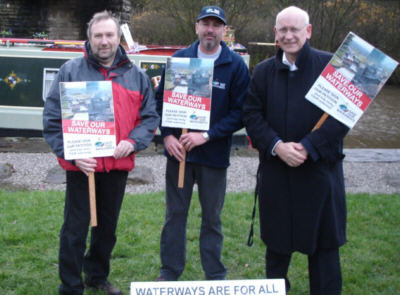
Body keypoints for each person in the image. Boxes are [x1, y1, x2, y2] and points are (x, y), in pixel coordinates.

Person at [43, 10, 159, 295]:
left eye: (109, 35)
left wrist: (133, 141)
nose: (104, 41)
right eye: (98, 35)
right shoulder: (70, 71)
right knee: (74, 231)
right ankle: (70, 286)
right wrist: (72, 155)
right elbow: (51, 121)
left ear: (118, 38)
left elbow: (149, 118)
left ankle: (96, 276)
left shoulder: (137, 75)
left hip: (116, 167)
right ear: (89, 38)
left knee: (106, 230)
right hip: (83, 167)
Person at [243, 6, 349, 294]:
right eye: (283, 30)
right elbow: (252, 115)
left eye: (295, 30)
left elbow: (343, 117)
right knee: (277, 250)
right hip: (277, 174)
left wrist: (308, 146)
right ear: (275, 34)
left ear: (308, 31)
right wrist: (277, 146)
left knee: (324, 251)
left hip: (320, 173)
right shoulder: (264, 72)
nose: (289, 36)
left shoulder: (332, 67)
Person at [155, 6, 250, 281]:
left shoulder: (235, 66)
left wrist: (206, 135)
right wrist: (168, 136)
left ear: (224, 30)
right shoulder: (179, 60)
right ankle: (170, 271)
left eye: (216, 25)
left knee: (212, 218)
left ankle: (215, 273)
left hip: (214, 157)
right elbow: (161, 102)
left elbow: (241, 113)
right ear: (196, 27)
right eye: (205, 24)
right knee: (175, 216)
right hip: (180, 156)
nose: (210, 29)